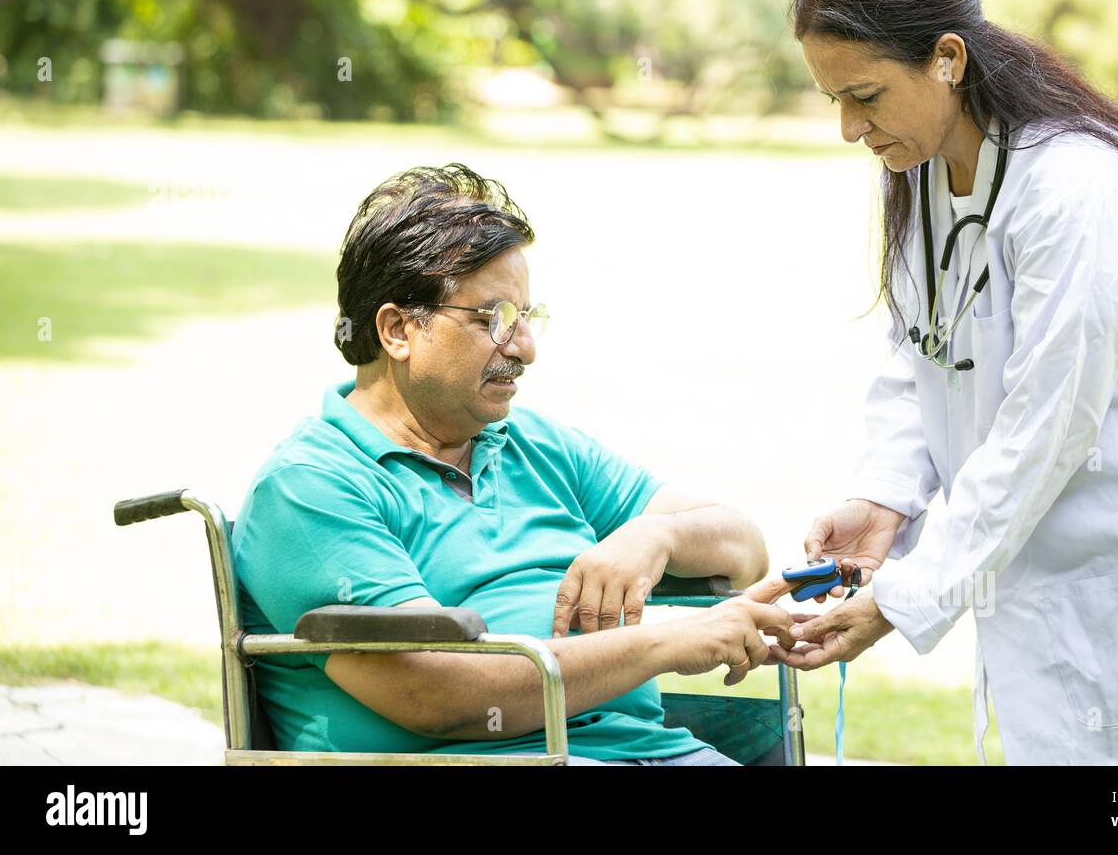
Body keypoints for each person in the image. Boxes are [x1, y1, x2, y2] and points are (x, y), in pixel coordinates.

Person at [768, 0, 1118, 765]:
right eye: (833, 98)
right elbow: (924, 352)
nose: (847, 128)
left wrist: (904, 599)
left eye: (864, 96)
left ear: (947, 58)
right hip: (1048, 575)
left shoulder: (1076, 184)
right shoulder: (921, 172)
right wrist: (885, 497)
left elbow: (1049, 424)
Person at [232, 164, 793, 764]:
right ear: (397, 330)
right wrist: (664, 643)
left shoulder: (534, 445)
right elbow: (440, 692)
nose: (524, 347)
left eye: (527, 317)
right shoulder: (309, 487)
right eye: (493, 319)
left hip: (654, 752)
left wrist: (659, 536)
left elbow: (744, 551)